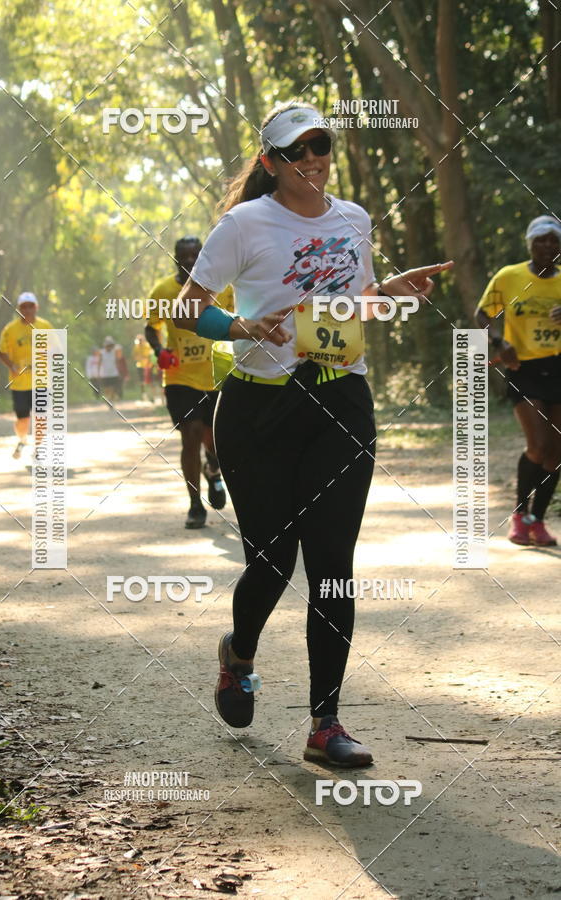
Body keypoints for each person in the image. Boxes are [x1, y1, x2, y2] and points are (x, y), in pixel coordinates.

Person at [172, 101, 453, 766]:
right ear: (271, 162)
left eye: (321, 146)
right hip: (260, 408)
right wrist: (240, 327)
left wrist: (388, 292)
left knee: (332, 564)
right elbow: (188, 311)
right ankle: (238, 655)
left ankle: (325, 725)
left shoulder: (354, 218)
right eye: (298, 151)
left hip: (339, 398)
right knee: (272, 561)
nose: (314, 160)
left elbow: (347, 306)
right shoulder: (244, 224)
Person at [476, 215, 561, 547]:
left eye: (554, 240)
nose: (548, 246)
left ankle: (537, 521)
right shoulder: (509, 277)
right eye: (541, 240)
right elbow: (482, 314)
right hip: (524, 368)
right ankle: (518, 515)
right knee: (538, 445)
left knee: (556, 451)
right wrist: (499, 342)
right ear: (529, 243)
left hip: (559, 368)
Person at [145, 236, 233, 529]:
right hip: (180, 376)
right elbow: (151, 328)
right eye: (184, 255)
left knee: (215, 438)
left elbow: (241, 318)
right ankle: (195, 505)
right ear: (175, 258)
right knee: (191, 433)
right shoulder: (163, 291)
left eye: (196, 254)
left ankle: (214, 469)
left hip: (217, 373)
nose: (191, 260)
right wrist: (161, 351)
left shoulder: (224, 287)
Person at [0, 292, 53, 459]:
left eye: (30, 306)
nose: (27, 309)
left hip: (41, 381)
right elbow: (1, 351)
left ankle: (38, 448)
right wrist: (12, 365)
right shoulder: (10, 329)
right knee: (23, 420)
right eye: (24, 306)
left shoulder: (45, 326)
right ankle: (22, 440)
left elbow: (56, 349)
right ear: (18, 309)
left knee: (41, 416)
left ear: (36, 307)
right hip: (19, 383)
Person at [99, 336, 127, 402]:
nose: (109, 347)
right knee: (106, 388)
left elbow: (118, 360)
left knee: (113, 388)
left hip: (114, 373)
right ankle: (108, 398)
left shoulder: (115, 352)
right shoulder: (101, 352)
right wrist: (98, 373)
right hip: (104, 373)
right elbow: (99, 363)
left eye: (110, 345)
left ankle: (110, 399)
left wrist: (119, 371)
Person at [132, 334, 154, 402]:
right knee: (141, 382)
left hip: (148, 366)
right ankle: (143, 396)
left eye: (141, 340)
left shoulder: (147, 346)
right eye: (139, 341)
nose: (140, 342)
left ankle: (151, 396)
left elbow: (151, 355)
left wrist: (149, 361)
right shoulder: (136, 347)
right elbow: (134, 357)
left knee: (150, 382)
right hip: (140, 366)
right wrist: (138, 358)